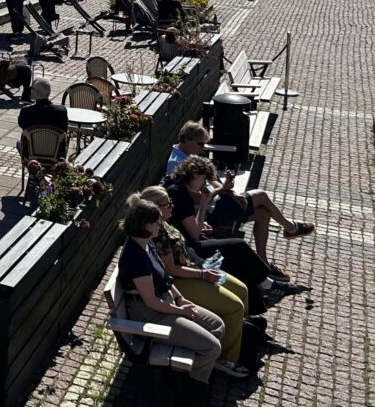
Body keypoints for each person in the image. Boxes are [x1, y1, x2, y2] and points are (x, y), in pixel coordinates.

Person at [139, 186, 257, 373]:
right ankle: (226, 358)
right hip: (181, 281)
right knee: (235, 308)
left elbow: (185, 248)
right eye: (167, 204)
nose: (172, 206)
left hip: (195, 270)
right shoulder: (156, 232)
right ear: (155, 207)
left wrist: (203, 264)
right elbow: (171, 269)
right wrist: (203, 274)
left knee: (242, 290)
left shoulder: (164, 223)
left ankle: (243, 336)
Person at [116, 195, 227, 385]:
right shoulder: (135, 256)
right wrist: (180, 311)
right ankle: (190, 387)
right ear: (146, 225)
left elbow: (165, 278)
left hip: (165, 303)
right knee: (212, 348)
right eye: (157, 223)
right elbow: (151, 302)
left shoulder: (147, 243)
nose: (160, 225)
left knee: (217, 325)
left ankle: (187, 371)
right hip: (149, 314)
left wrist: (180, 298)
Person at [167, 152, 314, 282]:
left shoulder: (183, 186)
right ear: (194, 174)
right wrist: (209, 201)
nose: (205, 183)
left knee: (263, 214)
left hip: (204, 222)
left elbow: (195, 220)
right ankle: (289, 230)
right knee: (259, 199)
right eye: (203, 179)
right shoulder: (180, 193)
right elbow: (195, 232)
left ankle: (264, 265)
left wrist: (225, 190)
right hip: (199, 235)